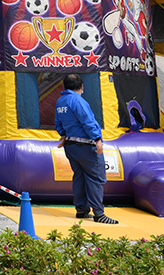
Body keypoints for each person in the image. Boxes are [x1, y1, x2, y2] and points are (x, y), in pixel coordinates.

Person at [55, 73, 117, 224]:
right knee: (95, 178)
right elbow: (87, 121)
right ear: (82, 87)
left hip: (70, 146)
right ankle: (99, 214)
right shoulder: (77, 101)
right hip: (86, 145)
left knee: (80, 176)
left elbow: (58, 122)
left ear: (65, 86)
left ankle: (81, 210)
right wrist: (97, 140)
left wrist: (63, 135)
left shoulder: (60, 101)